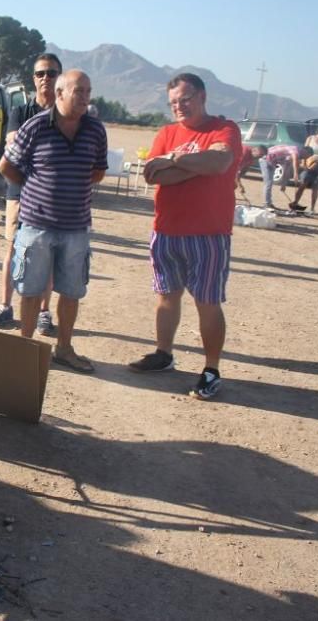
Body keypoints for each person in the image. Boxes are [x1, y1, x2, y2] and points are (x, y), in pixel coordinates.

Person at [128, 73, 242, 400]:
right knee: (167, 296)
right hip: (166, 231)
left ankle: (211, 369)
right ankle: (164, 354)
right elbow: (151, 173)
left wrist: (175, 160)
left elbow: (220, 161)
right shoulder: (167, 132)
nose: (179, 106)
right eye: (174, 102)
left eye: (186, 99)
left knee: (207, 302)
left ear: (202, 96)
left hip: (208, 233)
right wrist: (197, 165)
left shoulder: (224, 129)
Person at [0, 69, 107, 373]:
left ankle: (64, 349)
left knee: (71, 292)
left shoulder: (96, 130)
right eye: (79, 91)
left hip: (76, 227)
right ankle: (25, 349)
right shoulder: (34, 126)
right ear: (60, 94)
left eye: (88, 91)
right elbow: (6, 166)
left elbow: (97, 171)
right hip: (36, 226)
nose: (85, 97)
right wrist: (34, 188)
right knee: (31, 291)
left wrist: (71, 185)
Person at [0, 53, 62, 333]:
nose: (46, 78)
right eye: (41, 73)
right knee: (12, 248)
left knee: (49, 254)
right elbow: (12, 146)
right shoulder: (20, 112)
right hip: (18, 191)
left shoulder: (66, 115)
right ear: (33, 79)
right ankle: (5, 305)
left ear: (59, 78)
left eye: (52, 73)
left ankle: (44, 311)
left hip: (54, 197)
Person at [259, 143, 302, 209]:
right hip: (265, 159)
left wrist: (283, 185)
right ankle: (267, 204)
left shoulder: (288, 160)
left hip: (271, 162)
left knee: (269, 183)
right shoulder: (294, 149)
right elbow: (295, 158)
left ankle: (268, 203)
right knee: (268, 183)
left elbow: (285, 173)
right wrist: (295, 174)